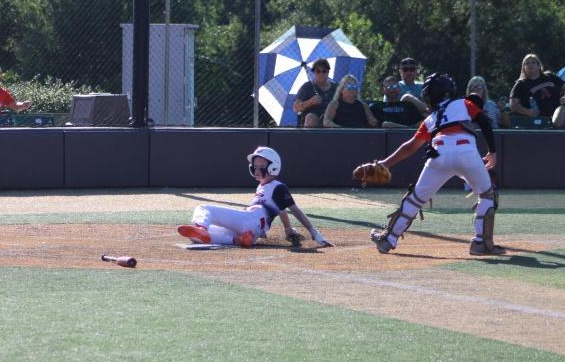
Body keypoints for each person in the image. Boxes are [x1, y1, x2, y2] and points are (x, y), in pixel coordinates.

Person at [369, 73, 506, 256]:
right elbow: (484, 122)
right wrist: (492, 152)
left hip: (438, 154)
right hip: (466, 152)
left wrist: (386, 163)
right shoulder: (464, 104)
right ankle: (481, 243)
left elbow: (410, 147)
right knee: (487, 194)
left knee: (415, 198)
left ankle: (389, 238)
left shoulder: (431, 118)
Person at [177, 146, 332, 248]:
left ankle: (202, 228)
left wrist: (314, 232)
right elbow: (281, 210)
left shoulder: (277, 185)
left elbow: (295, 210)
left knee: (203, 208)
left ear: (273, 166)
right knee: (196, 237)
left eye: (261, 166)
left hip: (250, 219)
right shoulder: (265, 187)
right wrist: (287, 229)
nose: (256, 169)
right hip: (254, 229)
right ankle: (238, 240)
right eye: (255, 166)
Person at [509, 53, 565, 118]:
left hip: (558, 117)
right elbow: (513, 105)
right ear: (524, 68)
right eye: (527, 63)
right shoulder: (520, 84)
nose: (530, 64)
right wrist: (528, 111)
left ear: (539, 66)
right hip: (535, 120)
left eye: (533, 62)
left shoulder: (550, 76)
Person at [293, 58, 337, 128]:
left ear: (328, 72)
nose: (321, 74)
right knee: (311, 118)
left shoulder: (336, 87)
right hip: (312, 123)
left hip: (332, 120)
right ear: (314, 72)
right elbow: (296, 108)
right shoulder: (307, 87)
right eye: (318, 71)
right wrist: (310, 102)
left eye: (324, 71)